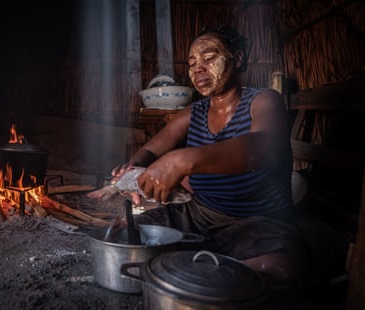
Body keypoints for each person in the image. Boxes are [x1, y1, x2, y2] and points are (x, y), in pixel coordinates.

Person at [92, 25, 306, 296]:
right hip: (197, 214)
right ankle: (205, 271)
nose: (198, 69)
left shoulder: (263, 101)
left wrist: (183, 160)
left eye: (209, 57)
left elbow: (264, 147)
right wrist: (131, 172)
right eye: (192, 63)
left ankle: (192, 272)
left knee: (278, 265)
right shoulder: (194, 113)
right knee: (126, 234)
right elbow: (150, 151)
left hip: (257, 220)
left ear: (237, 59)